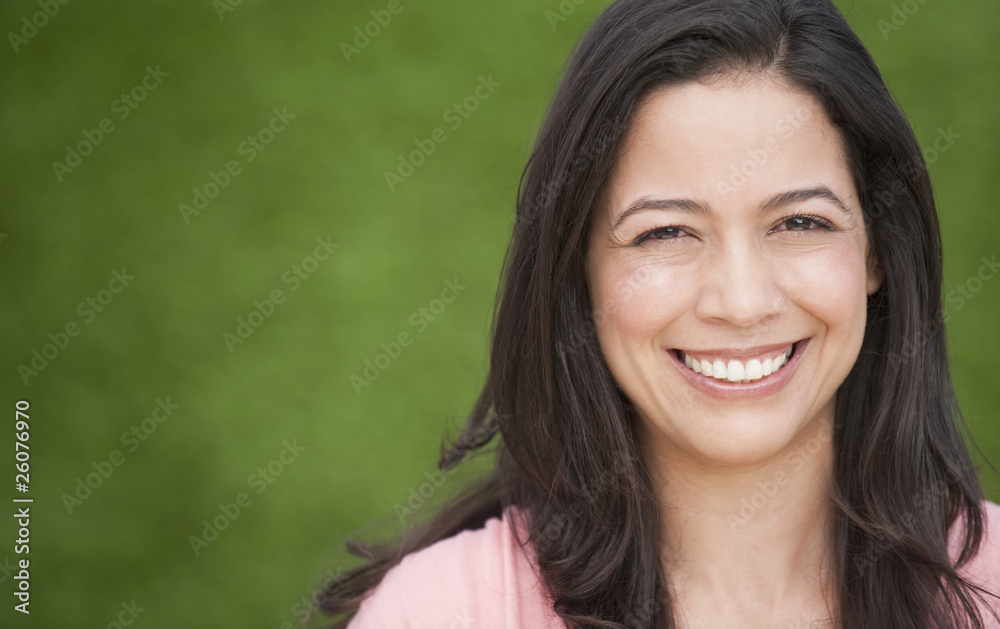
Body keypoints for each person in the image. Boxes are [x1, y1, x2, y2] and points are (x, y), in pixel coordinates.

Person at [319, 0, 1000, 626]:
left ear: (876, 248)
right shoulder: (443, 611)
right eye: (666, 232)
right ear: (578, 270)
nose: (741, 302)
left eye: (800, 221)